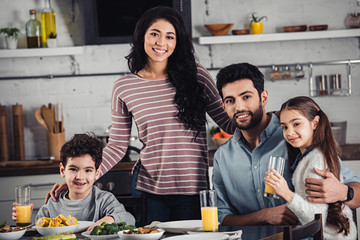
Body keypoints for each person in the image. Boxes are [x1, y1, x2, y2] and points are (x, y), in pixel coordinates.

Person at [46, 6, 234, 224]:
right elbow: (117, 145)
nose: (161, 42)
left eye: (169, 36)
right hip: (149, 192)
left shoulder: (197, 75)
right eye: (154, 33)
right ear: (142, 36)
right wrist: (81, 177)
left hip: (193, 191)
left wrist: (272, 121)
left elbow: (227, 123)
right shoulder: (124, 87)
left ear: (177, 42)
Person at [213, 62, 360, 226]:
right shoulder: (222, 157)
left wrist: (344, 192)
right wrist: (264, 215)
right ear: (223, 106)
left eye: (246, 97)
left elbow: (357, 192)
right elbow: (220, 217)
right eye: (230, 100)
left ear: (263, 98)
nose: (239, 107)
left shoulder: (295, 138)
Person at [264, 96, 356, 239]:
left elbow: (314, 219)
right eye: (285, 127)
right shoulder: (308, 156)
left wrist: (285, 193)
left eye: (296, 124)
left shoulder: (316, 161)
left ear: (315, 123)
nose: (289, 132)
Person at [13, 133, 135, 230]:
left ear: (97, 173)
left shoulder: (104, 200)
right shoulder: (52, 204)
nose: (79, 177)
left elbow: (129, 219)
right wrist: (25, 224)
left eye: (88, 170)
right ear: (62, 170)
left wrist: (110, 219)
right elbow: (38, 231)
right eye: (73, 169)